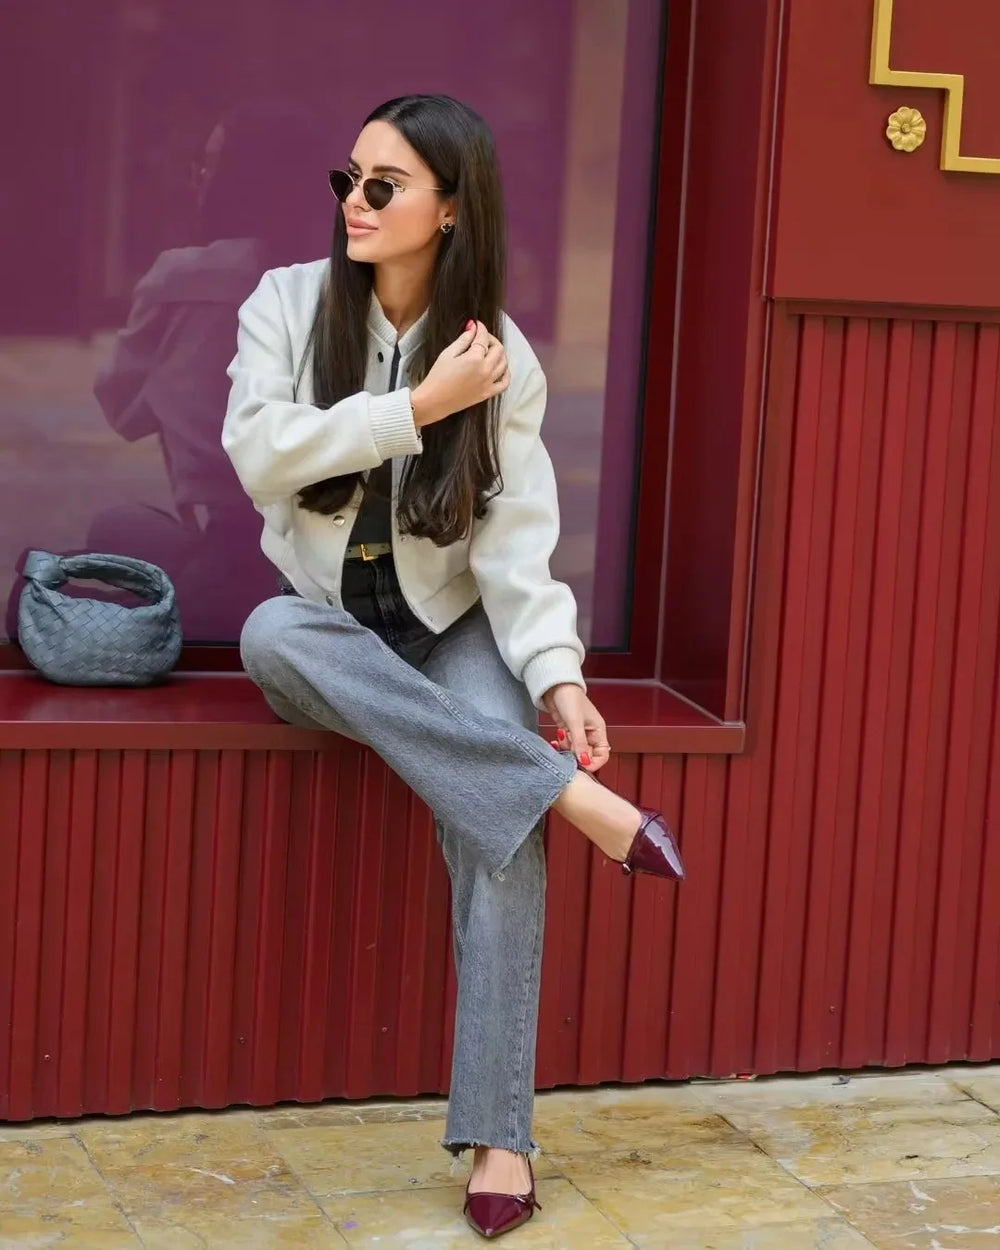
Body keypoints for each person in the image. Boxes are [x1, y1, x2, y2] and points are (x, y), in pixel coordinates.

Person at [223, 94, 684, 1241]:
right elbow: (257, 453)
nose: (355, 202)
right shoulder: (285, 303)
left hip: (452, 625)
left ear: (449, 209)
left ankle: (499, 1134)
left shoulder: (499, 355)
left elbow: (515, 543)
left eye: (383, 185)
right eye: (348, 177)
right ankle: (572, 795)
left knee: (502, 825)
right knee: (268, 633)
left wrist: (558, 676)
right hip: (330, 631)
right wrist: (413, 408)